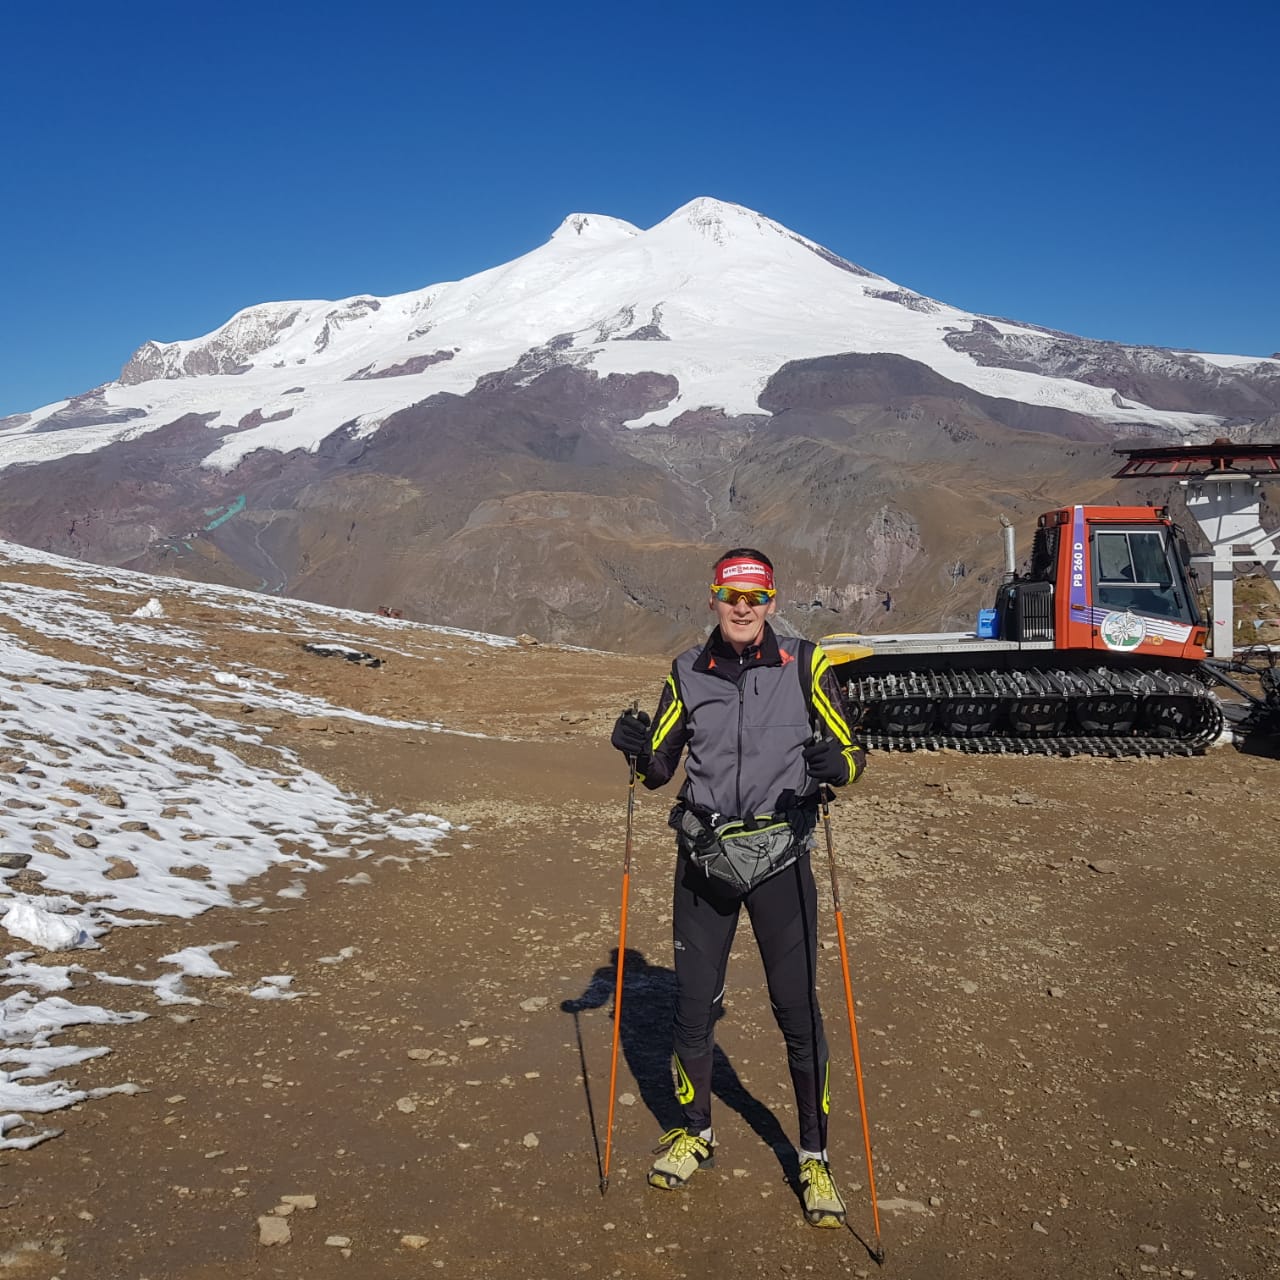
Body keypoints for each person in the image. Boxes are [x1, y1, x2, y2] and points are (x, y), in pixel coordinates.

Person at [609, 548, 866, 1228]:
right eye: (731, 595)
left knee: (796, 1013)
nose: (743, 607)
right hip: (705, 859)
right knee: (693, 1010)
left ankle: (814, 1157)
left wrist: (834, 762)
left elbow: (852, 758)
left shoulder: (806, 665)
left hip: (781, 857)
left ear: (773, 601)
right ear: (715, 599)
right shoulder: (686, 672)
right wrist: (634, 749)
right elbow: (659, 768)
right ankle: (695, 1133)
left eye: (755, 596)